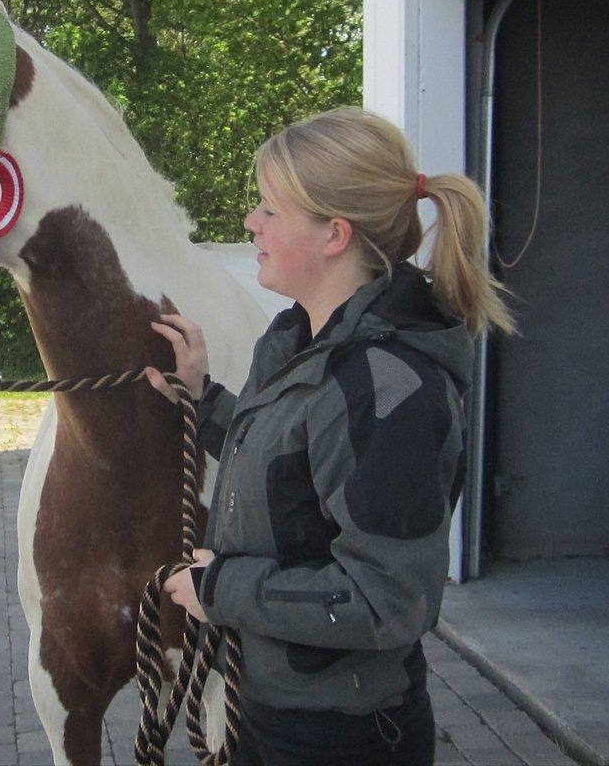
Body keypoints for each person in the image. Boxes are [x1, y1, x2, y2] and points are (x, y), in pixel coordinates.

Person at [145, 106, 515, 766]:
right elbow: (295, 466)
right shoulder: (302, 341)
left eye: (269, 210)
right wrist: (202, 399)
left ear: (333, 235)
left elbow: (387, 601)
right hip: (274, 705)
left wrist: (222, 589)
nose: (251, 224)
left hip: (339, 735)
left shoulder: (385, 387)